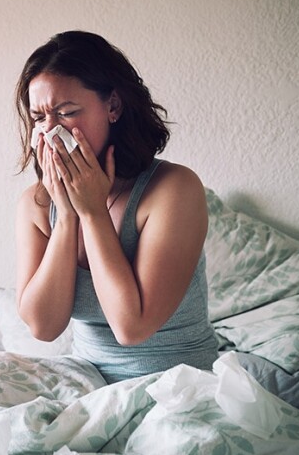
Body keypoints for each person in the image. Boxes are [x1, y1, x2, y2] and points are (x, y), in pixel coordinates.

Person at [14, 31, 218, 383]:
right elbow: (43, 327)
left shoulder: (173, 190)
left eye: (66, 113)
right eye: (38, 118)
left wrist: (92, 213)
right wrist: (67, 217)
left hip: (176, 386)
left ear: (113, 107)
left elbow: (131, 327)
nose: (49, 132)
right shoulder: (37, 203)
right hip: (88, 387)